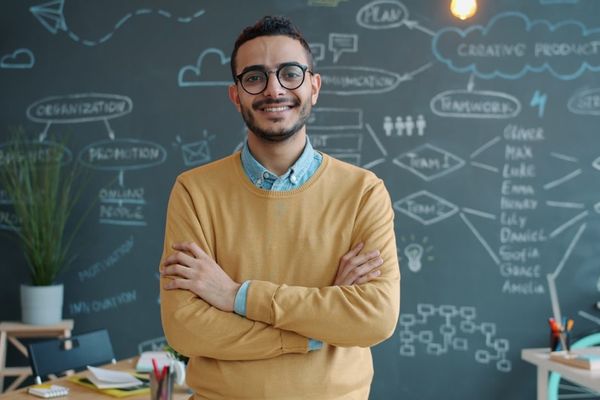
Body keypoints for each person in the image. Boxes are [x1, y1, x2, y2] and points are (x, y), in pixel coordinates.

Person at [159, 15, 400, 400]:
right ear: (236, 94)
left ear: (314, 87)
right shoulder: (194, 192)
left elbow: (375, 318)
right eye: (254, 77)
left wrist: (237, 296)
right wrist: (317, 330)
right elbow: (186, 329)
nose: (274, 89)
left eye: (290, 73)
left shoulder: (363, 192)